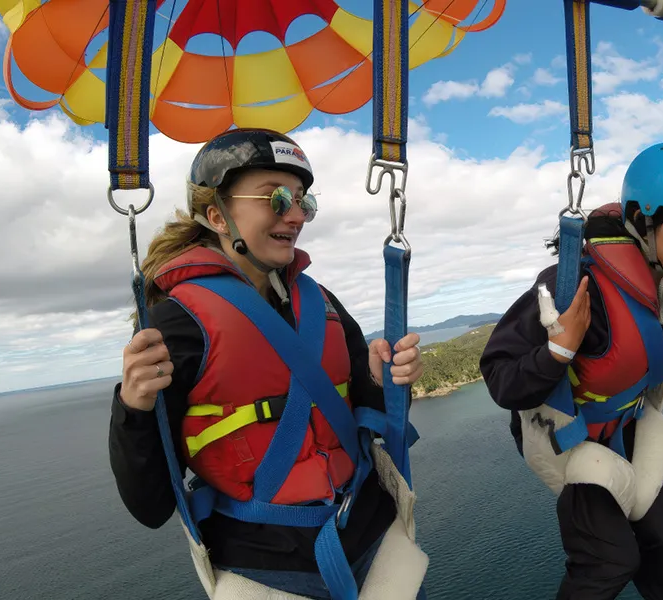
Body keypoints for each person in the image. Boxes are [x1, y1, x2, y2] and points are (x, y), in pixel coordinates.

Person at [108, 128, 429, 600]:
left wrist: (384, 379)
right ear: (218, 215)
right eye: (276, 198)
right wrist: (133, 408)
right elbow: (151, 504)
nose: (296, 215)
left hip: (372, 537)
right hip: (269, 571)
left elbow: (367, 405)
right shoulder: (176, 325)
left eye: (303, 201)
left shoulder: (320, 303)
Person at [479, 142, 663, 600]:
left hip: (625, 424)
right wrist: (558, 350)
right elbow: (501, 379)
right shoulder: (577, 288)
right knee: (609, 560)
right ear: (644, 221)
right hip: (566, 436)